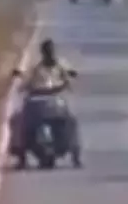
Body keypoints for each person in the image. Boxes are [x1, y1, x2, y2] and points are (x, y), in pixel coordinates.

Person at [10, 38, 81, 167]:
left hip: (56, 100)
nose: (50, 54)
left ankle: (76, 155)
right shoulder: (36, 68)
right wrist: (20, 79)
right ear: (43, 53)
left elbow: (69, 77)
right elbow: (25, 79)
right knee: (17, 121)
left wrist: (69, 78)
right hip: (36, 101)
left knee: (71, 121)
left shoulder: (61, 65)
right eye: (47, 51)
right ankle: (21, 157)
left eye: (51, 51)